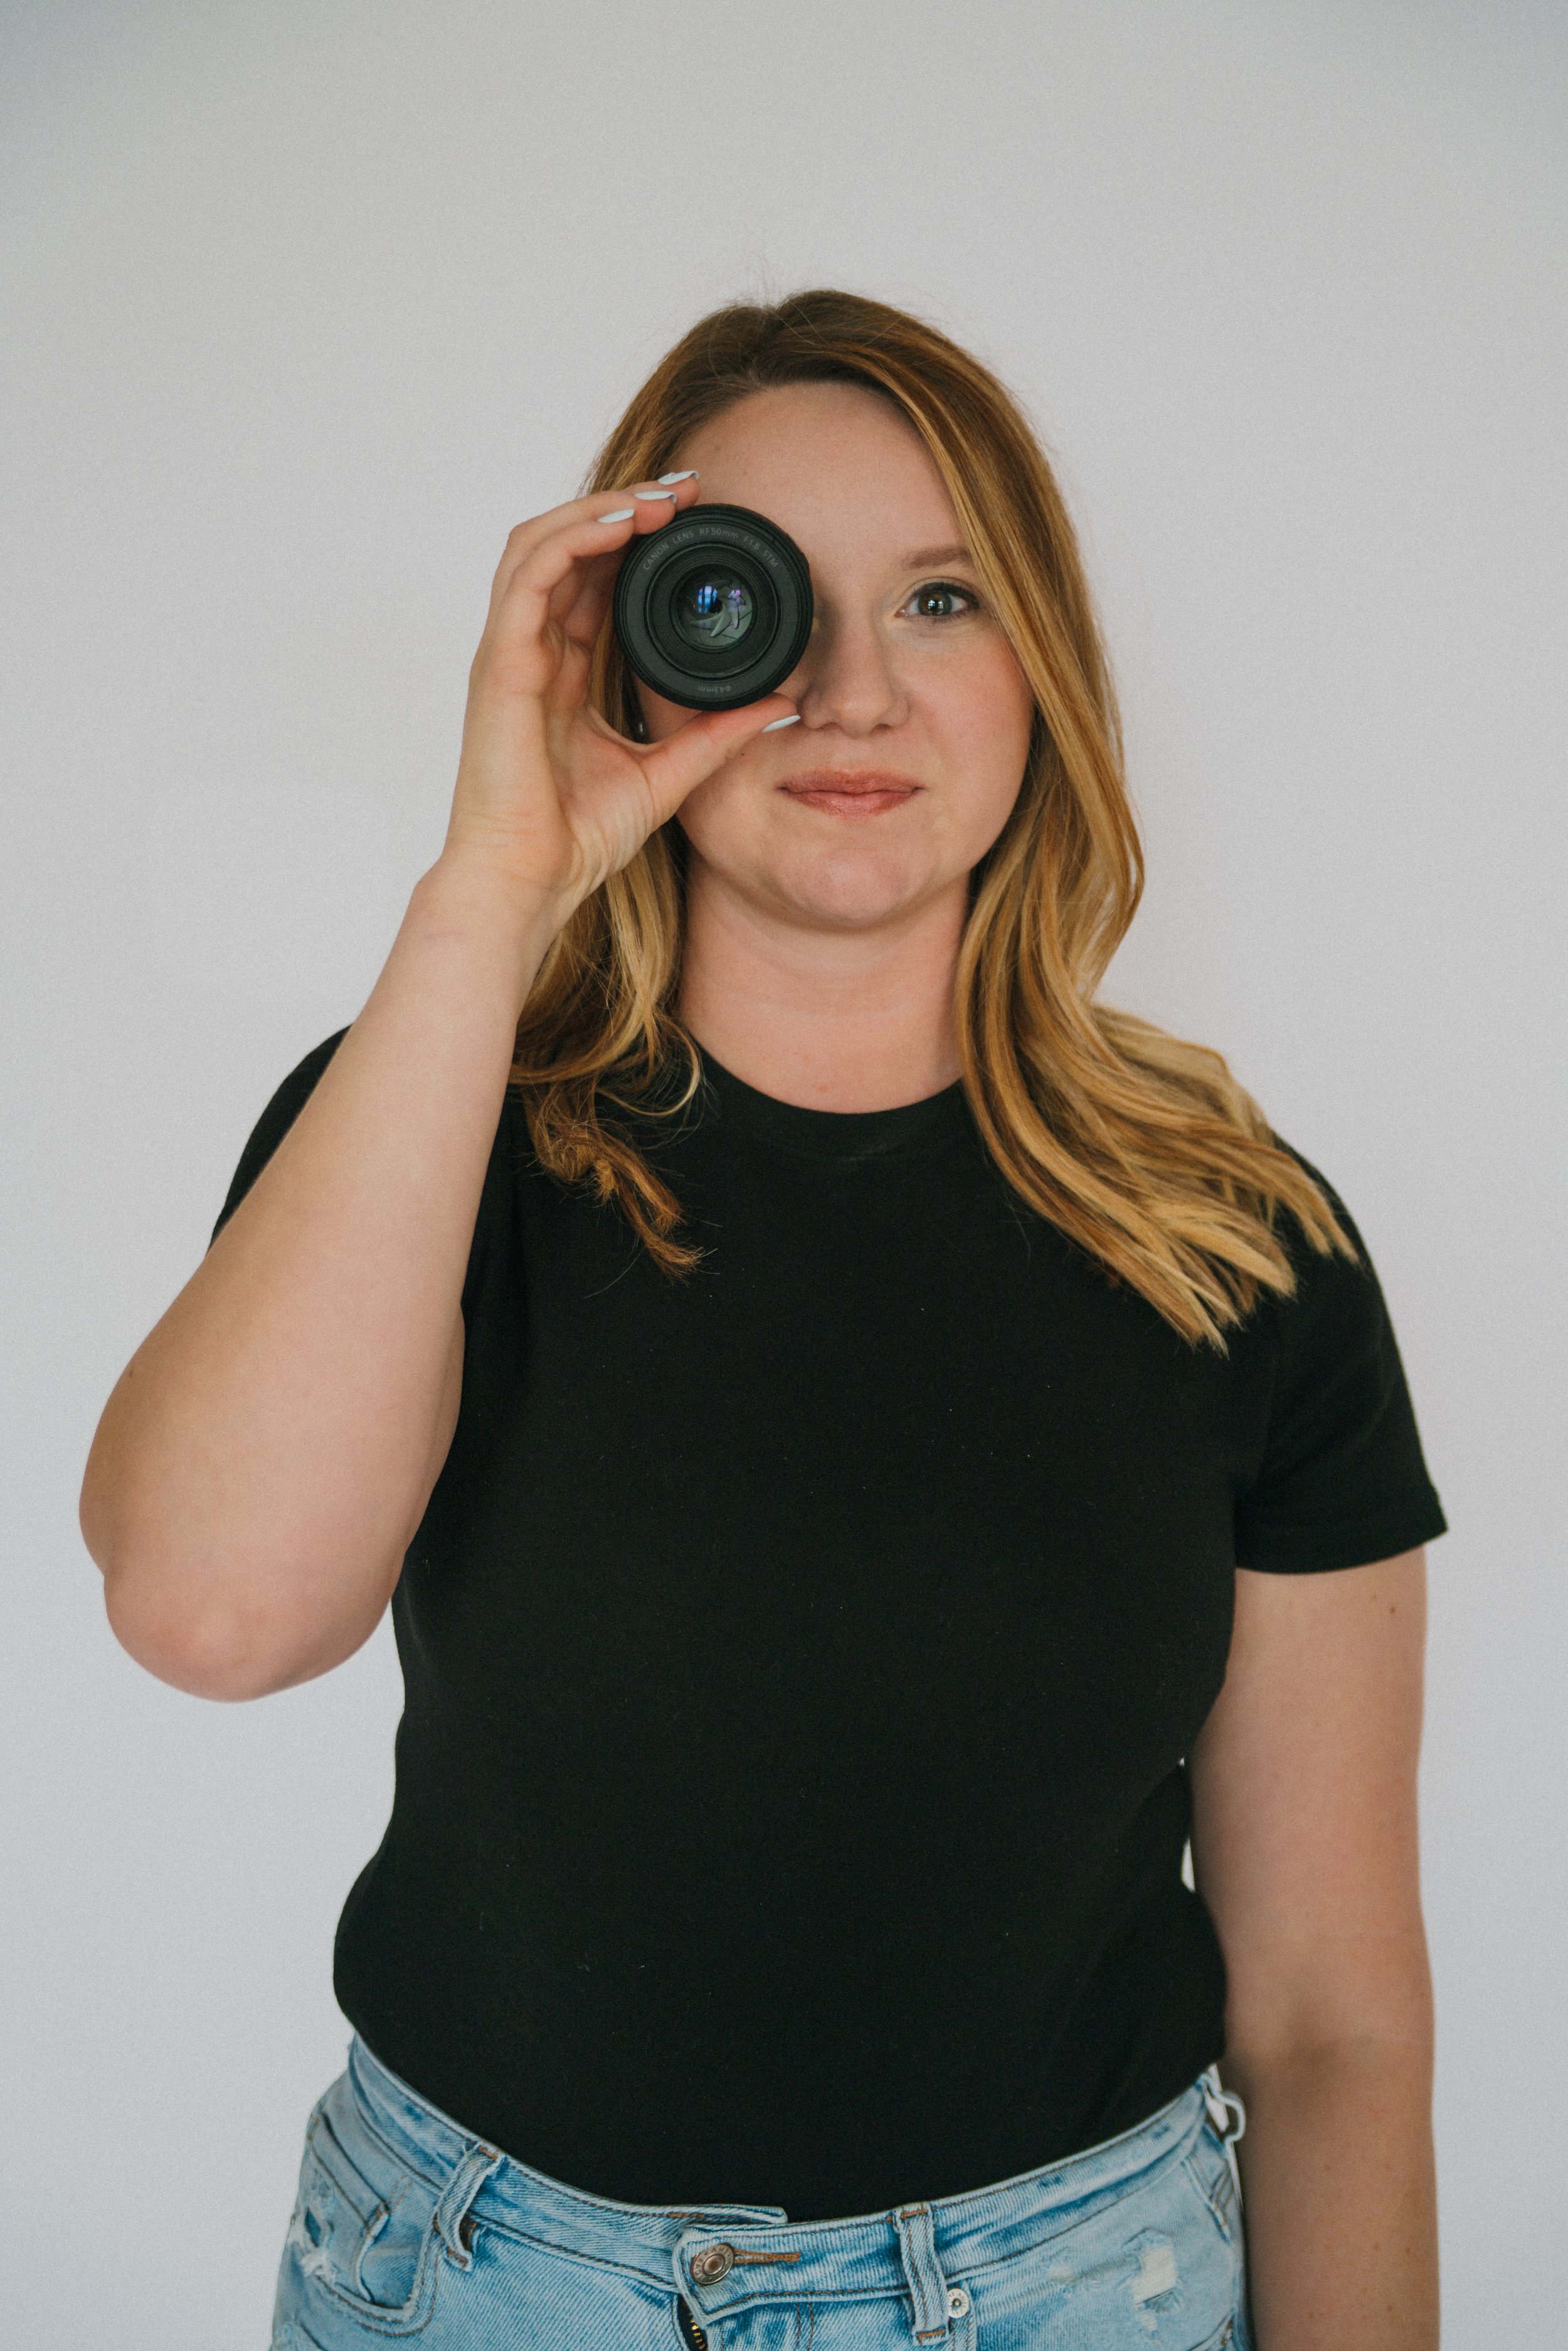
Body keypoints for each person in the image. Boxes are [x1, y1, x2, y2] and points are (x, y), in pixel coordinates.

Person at [80, 290, 1445, 2351]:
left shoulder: (1239, 1237)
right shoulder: (430, 1122)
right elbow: (212, 1610)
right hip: (476, 2288)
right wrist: (494, 883)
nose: (852, 691)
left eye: (941, 597)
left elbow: (1333, 2012)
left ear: (1043, 664)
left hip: (1079, 2292)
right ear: (627, 654)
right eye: (753, 601)